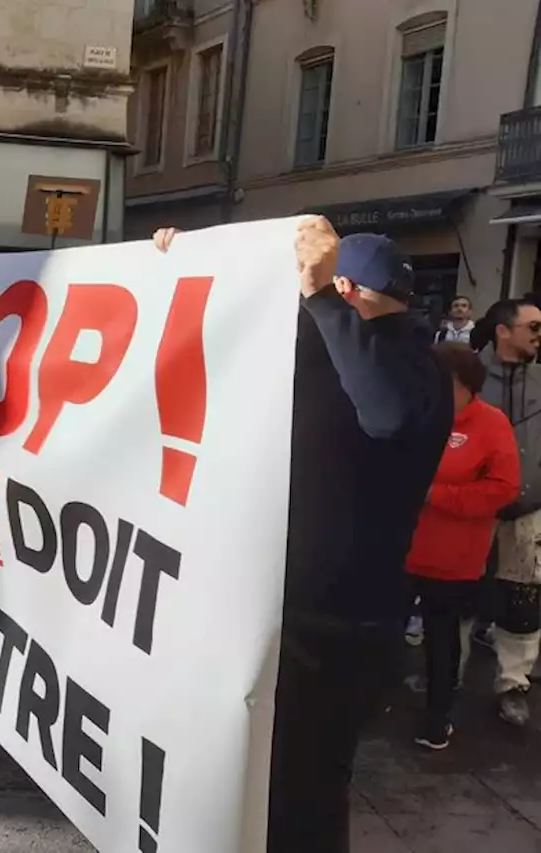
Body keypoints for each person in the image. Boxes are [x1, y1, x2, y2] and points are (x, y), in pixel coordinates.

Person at [154, 221, 452, 853]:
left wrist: (318, 299)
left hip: (340, 624)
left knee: (306, 792)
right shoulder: (331, 347)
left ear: (343, 288)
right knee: (263, 785)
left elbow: (387, 413)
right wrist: (188, 259)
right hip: (283, 607)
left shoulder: (410, 366)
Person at [405, 342, 520, 750]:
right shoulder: (412, 412)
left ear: (466, 385)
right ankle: (365, 707)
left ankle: (437, 719)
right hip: (399, 548)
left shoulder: (491, 424)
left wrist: (436, 495)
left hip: (453, 555)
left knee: (441, 638)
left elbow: (503, 488)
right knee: (380, 633)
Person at [476, 297, 541, 726]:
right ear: (503, 330)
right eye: (532, 326)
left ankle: (513, 685)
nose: (539, 334)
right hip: (471, 510)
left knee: (523, 601)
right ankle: (442, 678)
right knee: (458, 597)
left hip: (528, 509)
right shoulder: (465, 378)